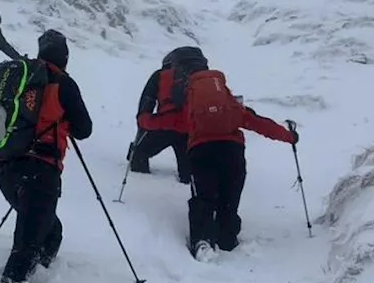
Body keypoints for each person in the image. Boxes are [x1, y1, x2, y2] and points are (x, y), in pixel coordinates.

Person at [164, 46, 299, 259]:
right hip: (232, 151)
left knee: (204, 198)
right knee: (230, 197)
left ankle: (202, 242)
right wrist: (289, 137)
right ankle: (227, 238)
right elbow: (256, 122)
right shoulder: (229, 102)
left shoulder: (188, 98)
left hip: (201, 151)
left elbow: (178, 123)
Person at [0, 29, 93, 283]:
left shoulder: (21, 77)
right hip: (41, 171)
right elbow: (84, 129)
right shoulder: (63, 83)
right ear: (65, 57)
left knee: (50, 231)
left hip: (7, 169)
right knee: (28, 244)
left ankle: (40, 281)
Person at [128, 50, 192, 183]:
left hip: (165, 124)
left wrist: (142, 123)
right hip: (191, 128)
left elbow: (147, 101)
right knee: (189, 170)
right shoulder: (201, 78)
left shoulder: (160, 76)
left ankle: (140, 180)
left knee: (140, 153)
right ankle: (186, 177)